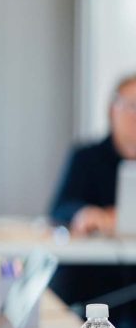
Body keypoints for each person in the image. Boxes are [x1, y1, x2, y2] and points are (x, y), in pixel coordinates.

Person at [49, 74, 136, 236]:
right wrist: (86, 213)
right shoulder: (86, 157)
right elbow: (60, 209)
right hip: (93, 257)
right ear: (112, 110)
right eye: (131, 106)